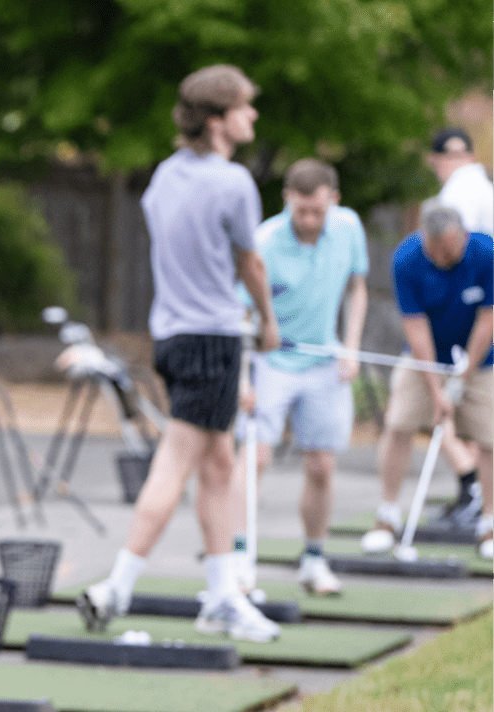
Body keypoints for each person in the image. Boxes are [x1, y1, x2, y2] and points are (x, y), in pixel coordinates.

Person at [77, 64, 284, 643]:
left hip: (170, 338)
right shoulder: (233, 183)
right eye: (245, 107)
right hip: (213, 340)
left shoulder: (164, 177)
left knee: (218, 465)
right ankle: (115, 586)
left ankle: (222, 596)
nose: (253, 116)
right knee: (175, 465)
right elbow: (252, 263)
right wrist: (268, 320)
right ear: (218, 120)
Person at [227, 159, 368, 596]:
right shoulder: (265, 240)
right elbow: (240, 312)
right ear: (287, 199)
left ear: (334, 201)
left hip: (324, 358)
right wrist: (241, 379)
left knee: (322, 465)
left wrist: (351, 344)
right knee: (257, 457)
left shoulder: (348, 227)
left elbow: (357, 286)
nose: (308, 219)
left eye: (317, 211)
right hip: (271, 360)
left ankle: (313, 558)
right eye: (300, 210)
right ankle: (236, 557)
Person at [361, 203, 493, 560]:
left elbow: (488, 319)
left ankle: (489, 524)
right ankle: (387, 516)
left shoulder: (487, 253)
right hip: (423, 360)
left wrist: (463, 377)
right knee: (398, 424)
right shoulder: (407, 259)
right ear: (424, 239)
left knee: (489, 438)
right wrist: (438, 391)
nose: (445, 256)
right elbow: (415, 328)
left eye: (452, 248)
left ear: (463, 235)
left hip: (481, 360)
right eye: (436, 250)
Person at [427, 127, 493, 522]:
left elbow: (454, 256)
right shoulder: (483, 186)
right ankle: (472, 488)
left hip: (468, 317)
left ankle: (472, 485)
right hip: (478, 310)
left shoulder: (456, 194)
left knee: (449, 403)